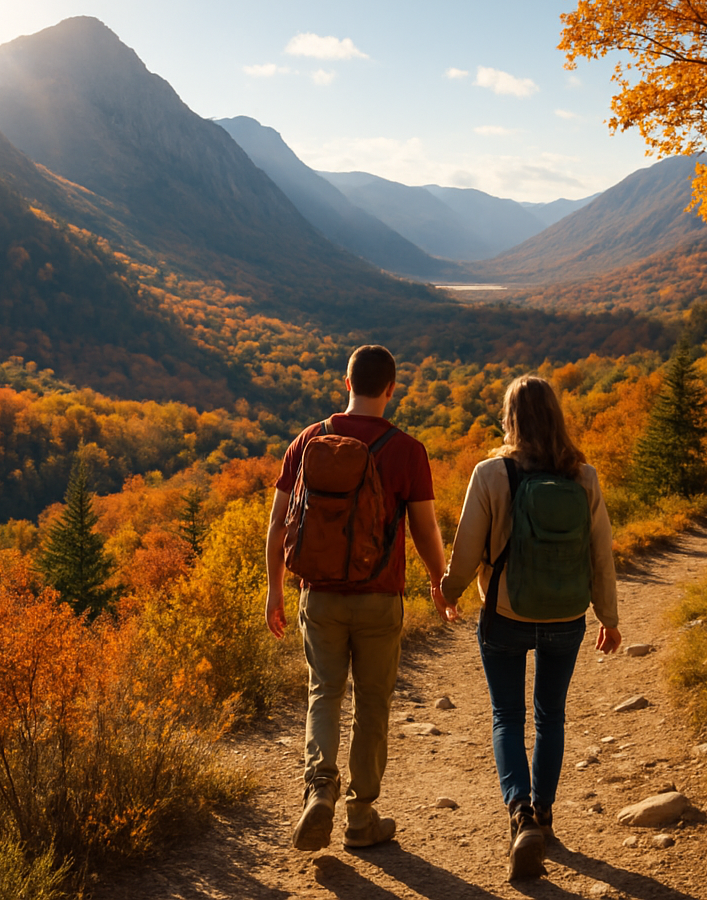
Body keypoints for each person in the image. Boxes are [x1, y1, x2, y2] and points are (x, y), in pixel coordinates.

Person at [265, 344, 449, 851]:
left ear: (346, 384)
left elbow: (279, 523)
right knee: (372, 703)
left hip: (318, 596)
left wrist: (275, 588)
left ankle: (318, 790)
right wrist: (439, 583)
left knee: (323, 693)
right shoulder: (407, 450)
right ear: (391, 389)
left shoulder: (308, 440)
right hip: (378, 599)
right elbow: (424, 529)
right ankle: (361, 817)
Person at [440, 374, 621, 881]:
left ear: (510, 419)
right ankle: (544, 813)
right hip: (567, 617)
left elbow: (466, 550)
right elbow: (600, 556)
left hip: (504, 615)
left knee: (506, 717)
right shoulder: (584, 477)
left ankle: (520, 814)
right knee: (551, 717)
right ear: (556, 417)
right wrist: (608, 618)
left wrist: (448, 594)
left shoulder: (491, 473)